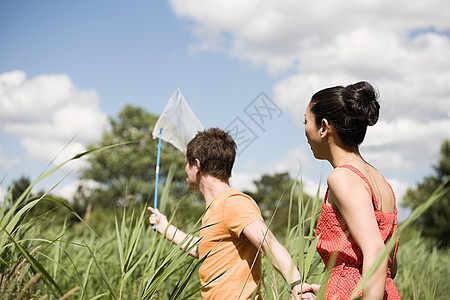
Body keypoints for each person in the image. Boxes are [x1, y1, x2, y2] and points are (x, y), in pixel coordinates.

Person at [148, 128, 314, 300]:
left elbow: (268, 243)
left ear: (197, 165)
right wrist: (165, 227)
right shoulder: (215, 208)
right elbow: (204, 249)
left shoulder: (233, 202)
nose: (185, 170)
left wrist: (296, 284)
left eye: (186, 163)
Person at [300, 82, 401, 299]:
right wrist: (332, 289)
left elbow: (376, 252)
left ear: (324, 127)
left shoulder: (343, 178)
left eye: (306, 121)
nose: (305, 131)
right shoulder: (381, 182)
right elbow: (391, 268)